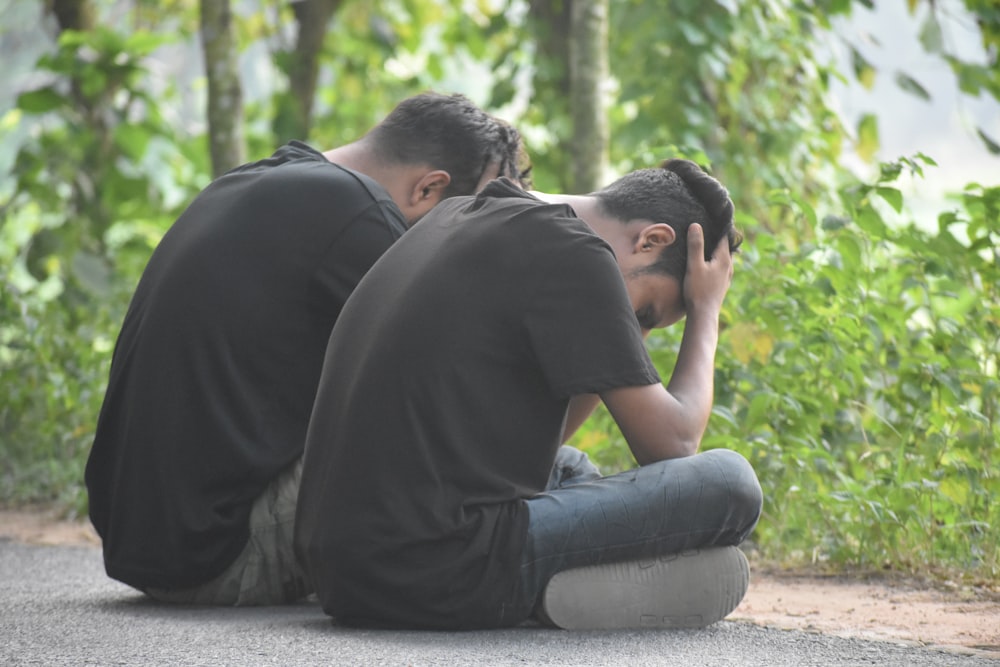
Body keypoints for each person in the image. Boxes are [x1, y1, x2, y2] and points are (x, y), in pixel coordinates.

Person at [84, 92, 531, 607]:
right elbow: (463, 401)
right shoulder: (361, 214)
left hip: (146, 544)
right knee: (480, 450)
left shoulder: (262, 178)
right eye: (468, 219)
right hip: (218, 555)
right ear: (430, 188)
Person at [294, 159, 764, 630]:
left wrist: (616, 342)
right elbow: (674, 445)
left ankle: (567, 583)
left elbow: (538, 460)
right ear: (652, 240)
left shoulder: (457, 213)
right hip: (438, 571)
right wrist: (706, 312)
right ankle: (554, 588)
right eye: (645, 313)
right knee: (731, 483)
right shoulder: (576, 253)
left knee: (572, 467)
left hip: (344, 570)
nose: (635, 328)